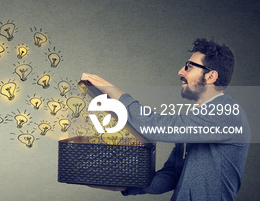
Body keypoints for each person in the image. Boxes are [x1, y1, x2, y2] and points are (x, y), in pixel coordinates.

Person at [82, 38, 250, 200]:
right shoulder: (196, 117)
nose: (180, 72)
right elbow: (171, 175)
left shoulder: (227, 114)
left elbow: (153, 126)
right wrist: (127, 185)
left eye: (188, 67)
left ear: (211, 76)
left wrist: (113, 91)